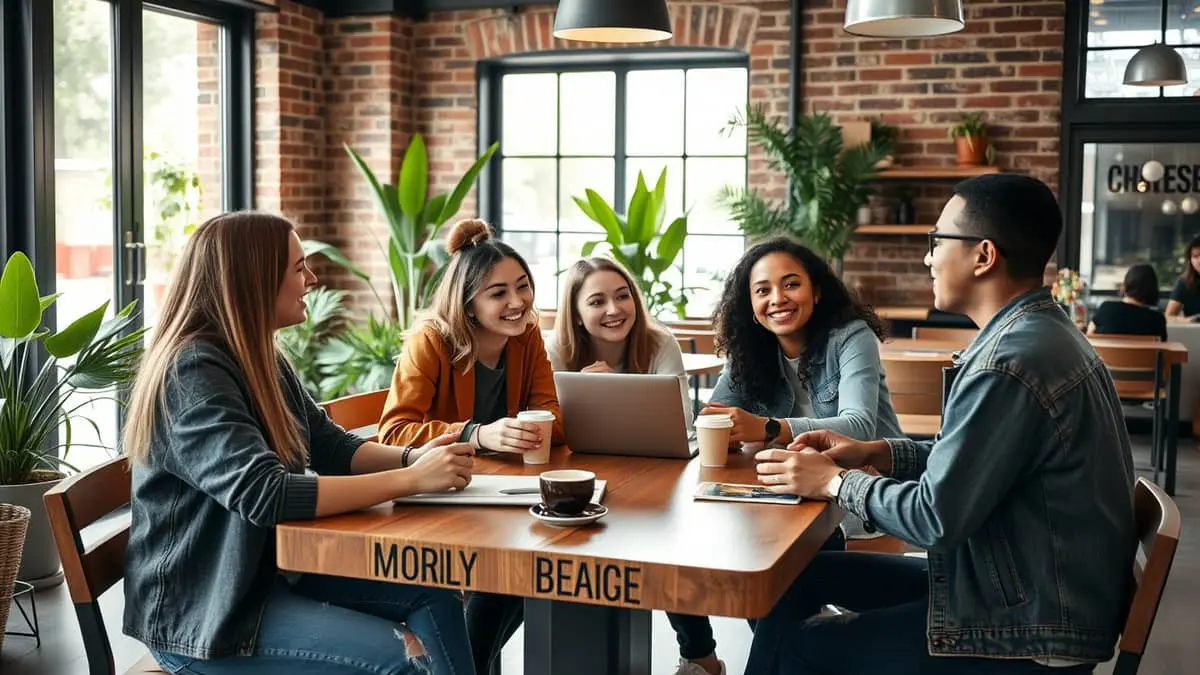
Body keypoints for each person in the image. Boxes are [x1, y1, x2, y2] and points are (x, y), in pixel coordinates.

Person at [745, 173, 1136, 674]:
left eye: (938, 241)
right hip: (1023, 586)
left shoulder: (1009, 362)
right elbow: (977, 466)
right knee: (798, 575)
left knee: (798, 645)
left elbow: (935, 518)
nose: (929, 257)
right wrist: (877, 453)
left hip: (1031, 627)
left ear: (983, 255)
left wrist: (834, 481)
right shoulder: (1036, 333)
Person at [122, 212, 477, 675]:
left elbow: (329, 446)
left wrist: (416, 456)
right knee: (399, 664)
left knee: (436, 594)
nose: (311, 279)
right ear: (252, 280)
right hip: (210, 615)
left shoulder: (258, 354)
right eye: (298, 268)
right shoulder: (191, 372)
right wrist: (409, 479)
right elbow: (265, 493)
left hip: (266, 577)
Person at [664, 237, 901, 675]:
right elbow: (716, 415)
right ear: (749, 302)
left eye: (791, 284)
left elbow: (860, 425)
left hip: (864, 498)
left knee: (793, 599)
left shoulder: (851, 337)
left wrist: (769, 428)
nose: (777, 299)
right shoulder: (751, 348)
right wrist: (723, 428)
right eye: (762, 290)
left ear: (816, 290)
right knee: (750, 580)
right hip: (787, 501)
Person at [376, 218, 563, 675]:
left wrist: (532, 431)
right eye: (498, 294)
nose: (517, 302)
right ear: (468, 303)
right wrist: (476, 433)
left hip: (496, 498)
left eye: (522, 286)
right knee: (522, 572)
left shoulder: (527, 337)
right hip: (435, 504)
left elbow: (551, 415)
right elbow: (394, 432)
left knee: (536, 565)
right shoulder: (431, 342)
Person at [547, 256, 692, 425]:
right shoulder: (556, 349)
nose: (614, 310)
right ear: (576, 314)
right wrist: (580, 395)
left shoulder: (661, 343)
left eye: (622, 296)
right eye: (597, 302)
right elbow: (547, 424)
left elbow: (683, 422)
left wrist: (617, 395)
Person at [1087, 263, 1167, 340]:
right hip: (1144, 354)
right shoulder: (1158, 320)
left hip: (1104, 354)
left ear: (1126, 285)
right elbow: (1163, 350)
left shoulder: (1106, 308)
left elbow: (1089, 338)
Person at [1165, 233, 1200, 320]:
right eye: (1195, 256)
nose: (1199, 261)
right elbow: (1169, 317)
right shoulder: (1184, 282)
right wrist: (1190, 320)